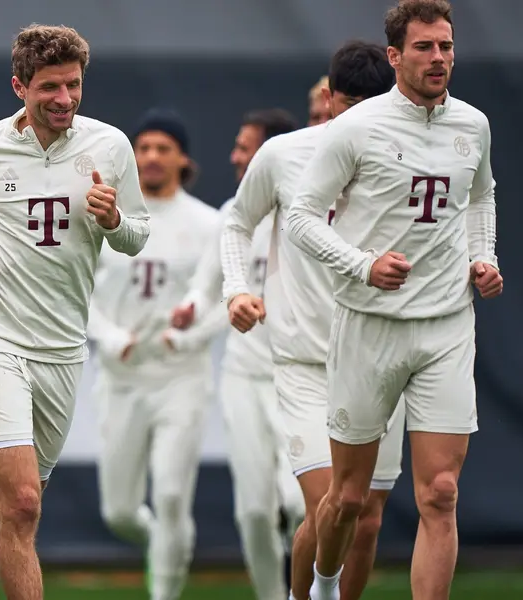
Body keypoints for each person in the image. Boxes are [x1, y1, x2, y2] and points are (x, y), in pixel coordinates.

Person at [0, 24, 151, 600]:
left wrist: (114, 220)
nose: (65, 100)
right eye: (50, 87)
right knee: (23, 502)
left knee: (14, 504)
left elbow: (138, 236)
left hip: (63, 347)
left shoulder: (110, 145)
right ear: (19, 86)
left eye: (73, 86)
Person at [284, 2, 500, 598]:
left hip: (447, 327)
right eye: (426, 47)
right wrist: (362, 264)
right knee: (348, 499)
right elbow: (301, 217)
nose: (439, 59)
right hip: (369, 326)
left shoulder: (473, 125)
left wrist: (486, 258)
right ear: (394, 55)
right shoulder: (356, 127)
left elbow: (480, 199)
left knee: (441, 493)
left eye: (447, 47)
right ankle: (325, 587)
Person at [223, 40, 403, 600]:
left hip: (379, 358)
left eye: (373, 107)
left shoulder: (410, 160)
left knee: (367, 519)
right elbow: (236, 222)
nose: (360, 121)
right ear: (327, 100)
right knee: (333, 505)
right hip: (305, 363)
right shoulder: (283, 155)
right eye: (348, 106)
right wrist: (237, 291)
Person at [86, 108, 224, 600]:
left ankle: (164, 589)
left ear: (182, 158)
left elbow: (228, 299)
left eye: (163, 148)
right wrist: (109, 336)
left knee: (169, 494)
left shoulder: (208, 224)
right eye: (143, 147)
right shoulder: (109, 220)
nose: (151, 157)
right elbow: (77, 294)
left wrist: (185, 339)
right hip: (121, 377)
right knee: (119, 512)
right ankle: (168, 546)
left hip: (180, 377)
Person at [174, 107, 306, 600]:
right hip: (244, 378)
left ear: (271, 157)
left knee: (299, 503)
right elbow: (205, 282)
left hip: (304, 376)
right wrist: (189, 307)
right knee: (252, 511)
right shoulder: (233, 214)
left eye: (244, 147)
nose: (234, 156)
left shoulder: (312, 209)